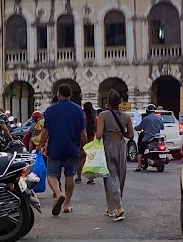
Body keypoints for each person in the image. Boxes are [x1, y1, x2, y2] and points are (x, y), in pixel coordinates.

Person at [41, 83, 86, 216]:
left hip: (55, 148)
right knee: (69, 176)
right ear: (70, 95)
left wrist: (40, 145)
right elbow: (82, 132)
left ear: (58, 94)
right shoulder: (78, 110)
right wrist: (83, 147)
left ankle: (58, 193)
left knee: (51, 175)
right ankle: (67, 204)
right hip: (72, 148)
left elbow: (45, 131)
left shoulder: (50, 111)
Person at [96, 90, 133, 221]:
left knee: (110, 177)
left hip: (108, 145)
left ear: (108, 101)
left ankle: (119, 207)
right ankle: (111, 208)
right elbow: (131, 135)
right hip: (121, 146)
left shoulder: (103, 115)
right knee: (120, 176)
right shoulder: (126, 116)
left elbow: (99, 135)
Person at [77, 99, 98, 183]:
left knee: (80, 159)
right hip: (92, 140)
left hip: (82, 139)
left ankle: (79, 177)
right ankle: (91, 178)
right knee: (91, 159)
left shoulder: (82, 117)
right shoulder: (94, 118)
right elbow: (96, 129)